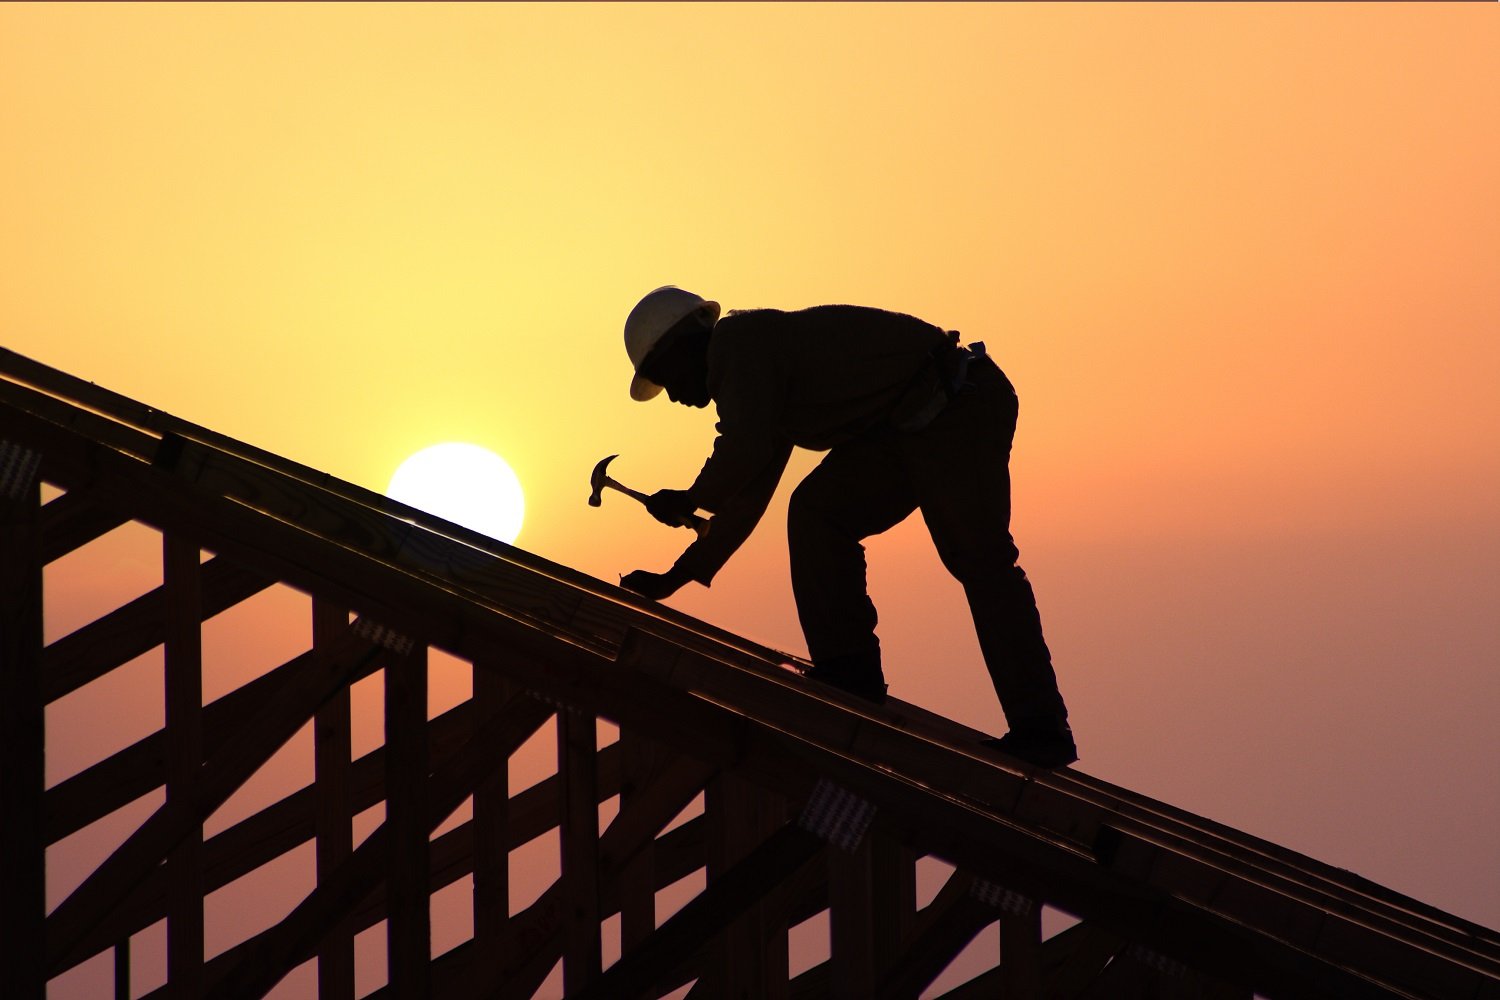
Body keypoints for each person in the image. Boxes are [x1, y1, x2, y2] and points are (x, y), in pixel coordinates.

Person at [618, 286, 1077, 768]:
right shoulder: (754, 378)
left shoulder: (738, 347)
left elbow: (744, 452)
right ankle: (851, 672)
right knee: (817, 513)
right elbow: (748, 492)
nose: (670, 395)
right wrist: (679, 574)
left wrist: (691, 498)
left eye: (664, 377)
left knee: (981, 561)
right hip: (907, 426)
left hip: (957, 405)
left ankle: (1042, 729)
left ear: (682, 346)